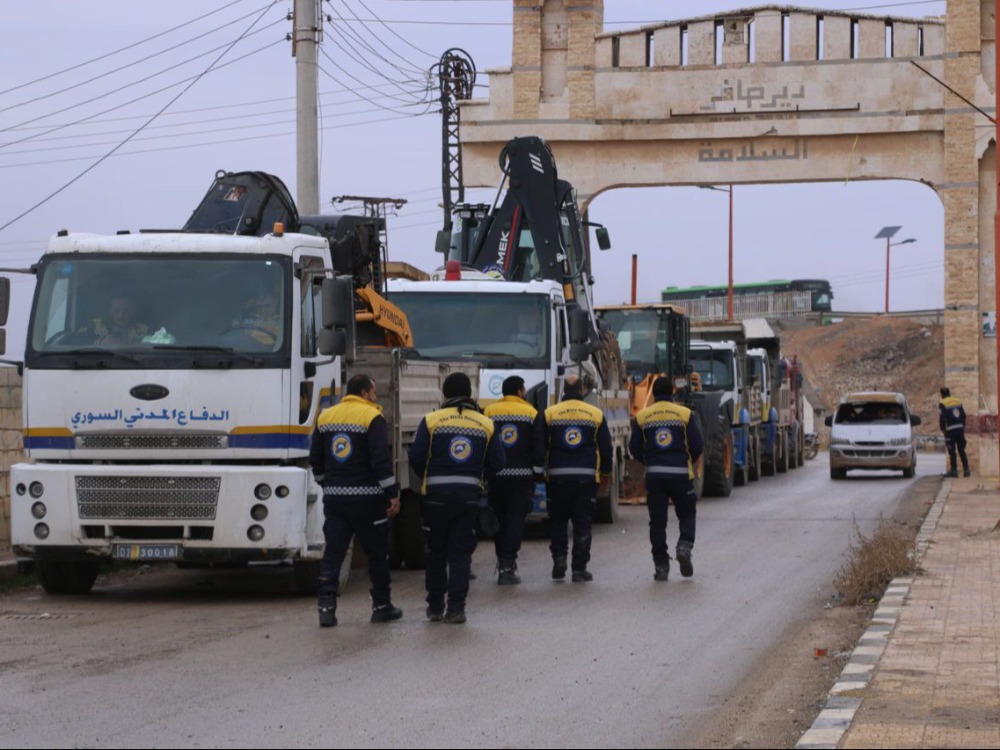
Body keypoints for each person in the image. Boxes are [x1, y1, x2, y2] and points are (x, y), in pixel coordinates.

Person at [409, 372, 506, 624]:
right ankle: (456, 609)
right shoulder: (485, 423)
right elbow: (498, 462)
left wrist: (430, 477)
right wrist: (480, 479)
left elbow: (416, 457)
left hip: (435, 498)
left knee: (436, 553)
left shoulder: (431, 420)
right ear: (470, 394)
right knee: (460, 554)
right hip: (468, 498)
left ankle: (434, 607)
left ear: (445, 394)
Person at [309, 373, 402, 628]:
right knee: (376, 554)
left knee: (334, 552)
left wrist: (325, 482)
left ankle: (326, 608)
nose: (375, 397)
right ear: (364, 393)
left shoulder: (326, 416)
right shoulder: (372, 417)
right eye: (373, 392)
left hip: (336, 500)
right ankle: (382, 606)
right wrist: (391, 494)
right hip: (368, 501)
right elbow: (380, 461)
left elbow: (315, 456)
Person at [533, 374, 612, 582]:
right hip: (586, 480)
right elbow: (606, 448)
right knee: (582, 524)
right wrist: (605, 473)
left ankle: (559, 558)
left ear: (563, 391)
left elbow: (540, 446)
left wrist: (539, 472)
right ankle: (579, 569)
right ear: (582, 390)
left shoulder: (549, 414)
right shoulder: (596, 414)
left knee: (558, 521)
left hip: (557, 479)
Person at [628, 376, 704, 581]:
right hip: (681, 475)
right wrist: (690, 459)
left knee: (657, 522)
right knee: (687, 514)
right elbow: (698, 445)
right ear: (672, 392)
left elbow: (633, 448)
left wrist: (648, 461)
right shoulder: (685, 414)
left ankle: (661, 565)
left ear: (652, 393)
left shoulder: (642, 416)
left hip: (655, 477)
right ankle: (684, 547)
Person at [483, 375, 538, 585]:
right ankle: (507, 564)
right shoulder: (531, 412)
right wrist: (538, 471)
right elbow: (537, 445)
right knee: (515, 519)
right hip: (522, 476)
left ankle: (501, 559)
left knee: (500, 518)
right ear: (520, 391)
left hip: (496, 477)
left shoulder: (489, 412)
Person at [80, 295, 148, 345]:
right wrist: (100, 343)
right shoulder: (95, 325)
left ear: (133, 310)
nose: (120, 316)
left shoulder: (143, 330)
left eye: (126, 311)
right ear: (110, 310)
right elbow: (75, 341)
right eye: (116, 311)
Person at [938, 386, 970, 478]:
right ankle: (966, 469)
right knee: (961, 450)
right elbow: (963, 415)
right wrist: (962, 426)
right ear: (949, 393)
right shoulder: (958, 401)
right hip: (960, 429)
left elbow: (942, 418)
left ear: (942, 394)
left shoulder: (942, 403)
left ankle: (954, 471)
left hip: (950, 430)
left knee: (952, 451)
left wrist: (943, 430)